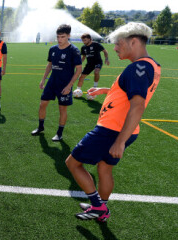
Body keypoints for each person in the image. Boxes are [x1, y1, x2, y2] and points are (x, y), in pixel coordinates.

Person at [65, 22, 161, 222]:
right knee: (104, 167)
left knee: (73, 163)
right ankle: (101, 207)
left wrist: (119, 141)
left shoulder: (139, 67)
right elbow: (131, 94)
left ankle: (98, 206)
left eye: (118, 44)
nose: (115, 48)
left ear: (133, 41)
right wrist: (108, 91)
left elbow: (138, 105)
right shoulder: (150, 65)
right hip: (123, 130)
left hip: (111, 130)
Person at [31, 24, 82, 141]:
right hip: (52, 82)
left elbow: (79, 70)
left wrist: (69, 86)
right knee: (42, 104)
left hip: (65, 84)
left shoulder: (74, 51)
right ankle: (40, 127)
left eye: (62, 37)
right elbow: (49, 65)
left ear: (68, 36)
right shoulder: (53, 49)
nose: (59, 40)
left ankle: (59, 133)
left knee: (62, 109)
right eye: (58, 37)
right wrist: (43, 79)